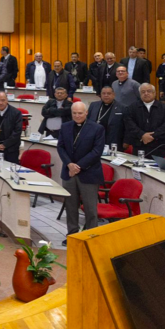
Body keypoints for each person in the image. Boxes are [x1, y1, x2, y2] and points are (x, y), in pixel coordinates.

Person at [58, 102, 105, 241]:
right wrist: (69, 165)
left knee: (90, 209)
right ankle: (72, 235)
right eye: (74, 113)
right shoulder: (65, 127)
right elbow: (60, 147)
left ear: (86, 113)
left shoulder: (97, 128)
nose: (77, 116)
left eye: (80, 113)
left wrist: (77, 166)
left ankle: (90, 237)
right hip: (69, 173)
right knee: (71, 207)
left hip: (89, 173)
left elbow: (97, 152)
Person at [123, 83, 165, 158]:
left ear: (154, 93)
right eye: (143, 92)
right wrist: (142, 135)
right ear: (140, 94)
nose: (146, 94)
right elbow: (129, 124)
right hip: (139, 147)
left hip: (160, 147)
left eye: (149, 91)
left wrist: (153, 136)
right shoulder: (132, 108)